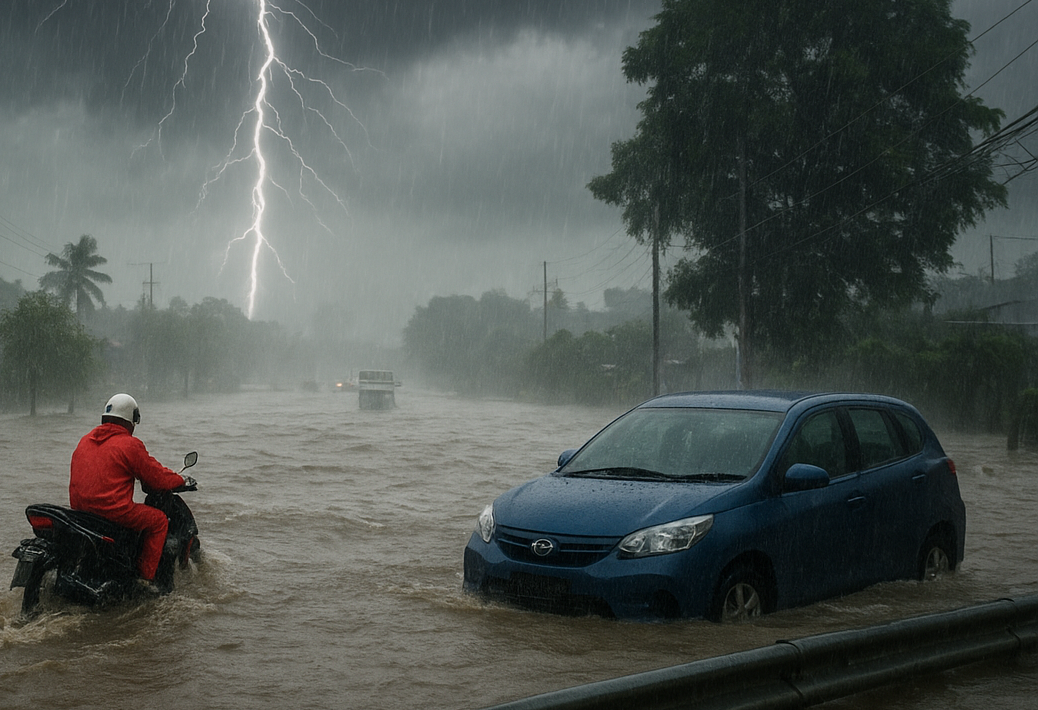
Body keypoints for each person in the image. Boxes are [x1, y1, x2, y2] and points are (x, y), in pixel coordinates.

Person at [69, 393, 190, 592]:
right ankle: (146, 580)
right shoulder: (129, 444)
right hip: (113, 512)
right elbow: (156, 477)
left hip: (81, 512)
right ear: (131, 420)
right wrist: (181, 479)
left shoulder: (84, 441)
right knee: (159, 521)